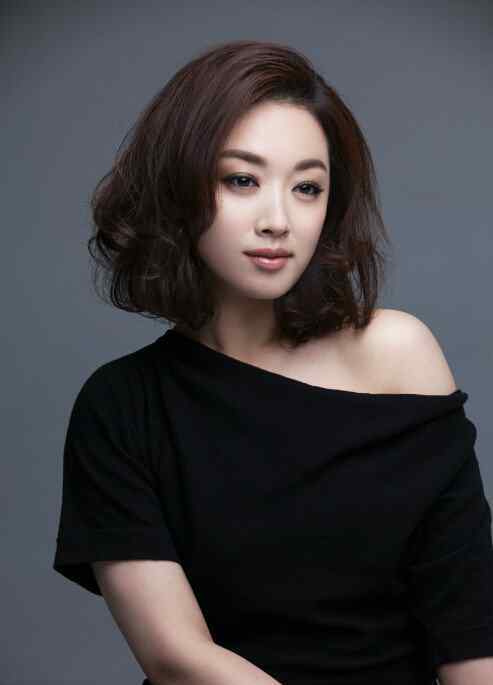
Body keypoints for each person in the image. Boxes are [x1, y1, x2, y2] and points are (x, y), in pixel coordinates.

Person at [52, 39, 493, 685]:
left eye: (307, 187)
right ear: (178, 188)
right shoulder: (122, 404)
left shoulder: (396, 352)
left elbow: (470, 629)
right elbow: (176, 657)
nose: (278, 219)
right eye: (242, 180)